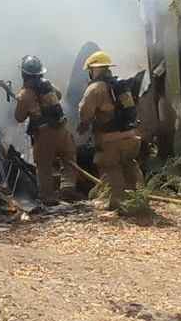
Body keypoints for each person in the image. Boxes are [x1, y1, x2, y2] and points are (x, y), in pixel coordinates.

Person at [77, 50, 143, 210]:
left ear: (94, 69)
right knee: (129, 164)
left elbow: (85, 113)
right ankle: (140, 199)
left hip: (109, 139)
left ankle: (119, 205)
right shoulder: (120, 85)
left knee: (109, 168)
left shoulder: (95, 88)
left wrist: (84, 124)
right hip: (131, 136)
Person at [13, 55, 81, 205]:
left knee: (43, 166)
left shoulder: (24, 95)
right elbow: (59, 95)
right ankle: (68, 187)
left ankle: (48, 197)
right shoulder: (48, 84)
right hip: (61, 128)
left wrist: (22, 100)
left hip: (43, 134)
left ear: (23, 74)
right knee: (69, 158)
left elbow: (19, 118)